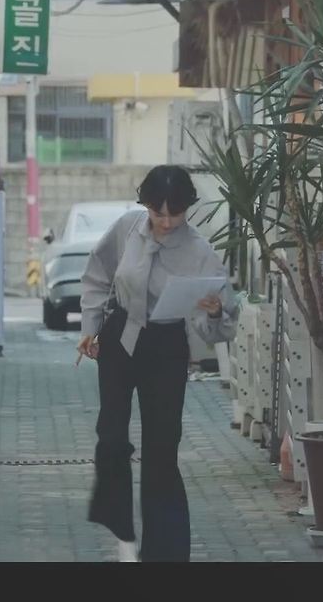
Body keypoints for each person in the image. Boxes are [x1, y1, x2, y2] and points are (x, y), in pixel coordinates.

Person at [76, 165, 239, 563]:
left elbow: (220, 324)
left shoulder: (200, 252)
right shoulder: (127, 228)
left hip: (165, 347)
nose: (166, 222)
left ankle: (165, 554)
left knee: (162, 451)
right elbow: (97, 275)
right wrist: (90, 328)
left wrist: (215, 312)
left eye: (175, 213)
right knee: (112, 438)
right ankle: (119, 524)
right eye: (157, 212)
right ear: (145, 205)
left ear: (187, 208)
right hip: (120, 337)